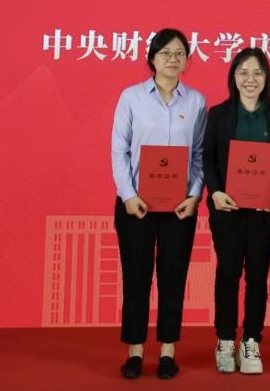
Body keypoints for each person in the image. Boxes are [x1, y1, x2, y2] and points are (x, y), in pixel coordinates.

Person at [110, 28, 207, 380]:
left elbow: (199, 155)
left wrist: (194, 195)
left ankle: (168, 351)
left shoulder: (196, 101)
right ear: (152, 58)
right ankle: (135, 351)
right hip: (136, 205)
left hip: (179, 208)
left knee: (173, 277)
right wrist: (128, 195)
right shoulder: (131, 97)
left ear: (187, 60)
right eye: (165, 53)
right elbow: (119, 150)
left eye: (180, 53)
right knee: (136, 277)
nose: (173, 59)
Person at [203, 48, 270, 374]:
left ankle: (252, 340)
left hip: (264, 211)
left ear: (266, 77)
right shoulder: (219, 114)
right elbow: (207, 157)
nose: (250, 79)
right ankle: (226, 339)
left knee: (257, 275)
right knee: (227, 272)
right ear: (233, 77)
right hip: (227, 209)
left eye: (257, 73)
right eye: (243, 72)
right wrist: (215, 192)